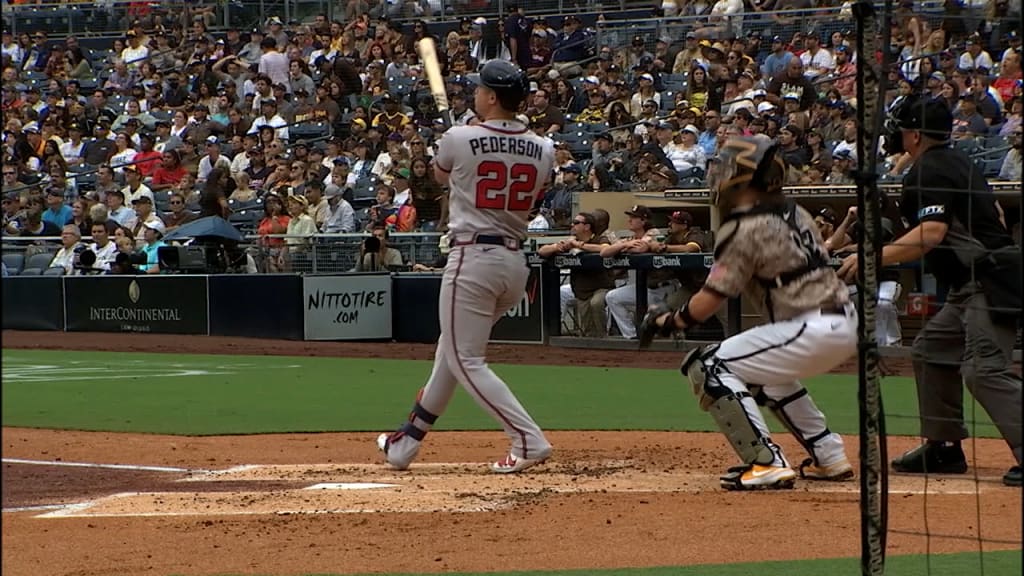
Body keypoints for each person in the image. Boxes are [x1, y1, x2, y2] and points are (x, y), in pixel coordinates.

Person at [642, 136, 857, 490]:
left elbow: (712, 298)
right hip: (838, 321)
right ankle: (829, 455)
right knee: (769, 375)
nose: (720, 176)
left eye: (729, 169)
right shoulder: (795, 212)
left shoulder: (743, 226)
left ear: (749, 177)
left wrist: (670, 320)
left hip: (809, 325)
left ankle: (765, 462)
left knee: (709, 365)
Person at [376, 60, 555, 474]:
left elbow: (438, 179)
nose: (475, 93)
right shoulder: (544, 147)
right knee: (452, 353)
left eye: (480, 89)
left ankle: (527, 438)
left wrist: (457, 141)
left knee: (465, 359)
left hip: (472, 258)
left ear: (492, 97)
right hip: (513, 263)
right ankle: (405, 443)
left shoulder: (459, 137)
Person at [838, 97, 1022, 487]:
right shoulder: (955, 162)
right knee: (931, 349)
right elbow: (996, 216)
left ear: (916, 134)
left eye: (901, 127)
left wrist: (874, 256)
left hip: (988, 280)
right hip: (972, 283)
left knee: (984, 369)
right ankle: (943, 446)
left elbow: (932, 234)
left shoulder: (931, 168)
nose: (896, 133)